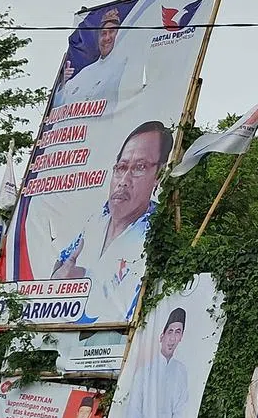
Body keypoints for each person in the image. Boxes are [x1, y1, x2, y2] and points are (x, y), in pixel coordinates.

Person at [52, 121, 173, 323]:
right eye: (121, 167)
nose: (124, 180)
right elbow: (62, 265)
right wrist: (59, 279)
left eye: (140, 167)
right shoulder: (95, 220)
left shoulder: (155, 231)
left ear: (158, 176)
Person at [123, 308, 190, 418]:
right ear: (162, 336)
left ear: (181, 337)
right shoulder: (145, 370)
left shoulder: (181, 370)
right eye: (170, 332)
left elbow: (180, 410)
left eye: (177, 332)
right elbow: (134, 412)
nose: (172, 338)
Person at [51, 8, 127, 112]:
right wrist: (63, 83)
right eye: (103, 34)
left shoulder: (126, 65)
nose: (107, 38)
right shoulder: (85, 72)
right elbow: (58, 105)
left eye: (112, 32)